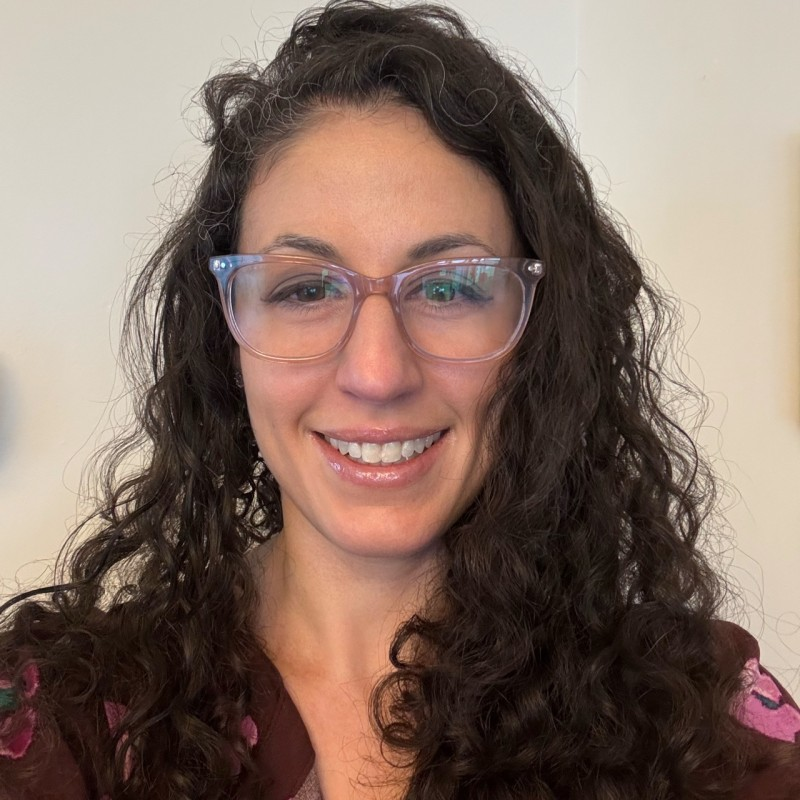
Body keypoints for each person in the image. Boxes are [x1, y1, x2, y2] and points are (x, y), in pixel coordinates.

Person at [1, 1, 798, 798]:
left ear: (539, 334)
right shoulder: (65, 724)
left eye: (449, 288)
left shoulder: (698, 722)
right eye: (306, 289)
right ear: (226, 338)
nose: (378, 374)